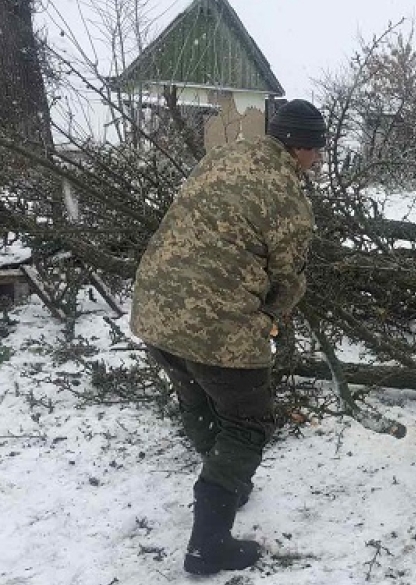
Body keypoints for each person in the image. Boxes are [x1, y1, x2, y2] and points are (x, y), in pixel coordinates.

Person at [130, 99, 323, 575]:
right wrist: (271, 318)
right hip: (218, 326)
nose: (316, 160)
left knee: (195, 396)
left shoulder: (221, 157)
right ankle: (209, 544)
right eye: (316, 151)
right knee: (248, 421)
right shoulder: (290, 198)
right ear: (304, 148)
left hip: (155, 309)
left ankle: (228, 487)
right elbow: (288, 278)